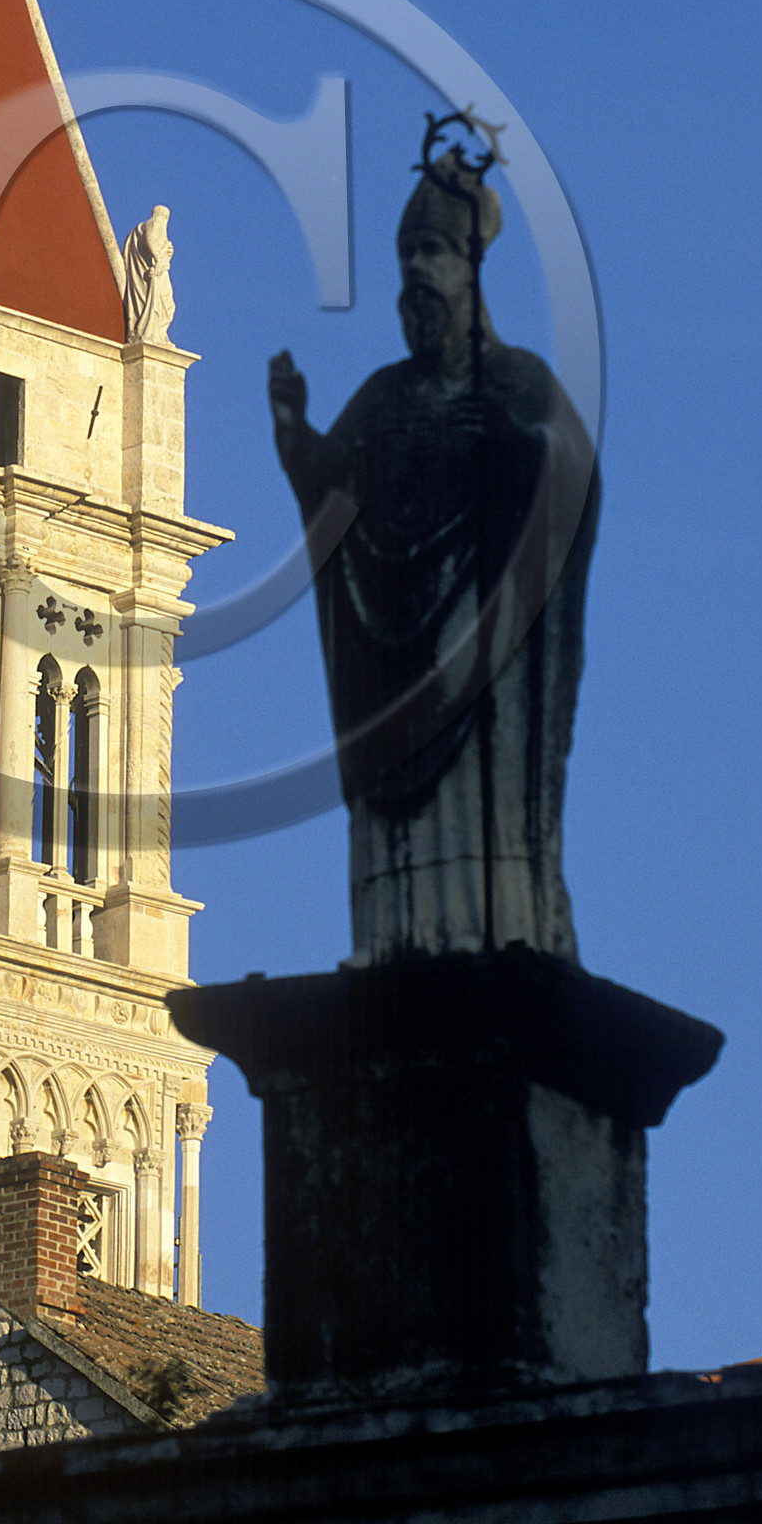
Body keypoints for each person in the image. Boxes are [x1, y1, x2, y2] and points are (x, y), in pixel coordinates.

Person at [269, 145, 599, 961]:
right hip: (393, 688)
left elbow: (572, 476)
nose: (416, 272)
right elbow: (333, 500)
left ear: (471, 265)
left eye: (433, 253)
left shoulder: (518, 382)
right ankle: (396, 937)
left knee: (481, 821)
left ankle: (499, 922)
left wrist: (521, 451)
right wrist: (297, 444)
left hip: (485, 673)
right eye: (407, 255)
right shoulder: (382, 399)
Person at [122, 204, 175, 344]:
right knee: (167, 306)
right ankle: (152, 333)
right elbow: (151, 241)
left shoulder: (139, 229)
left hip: (152, 271)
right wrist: (159, 258)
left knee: (166, 306)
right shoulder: (155, 224)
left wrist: (167, 250)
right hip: (155, 273)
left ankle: (152, 332)